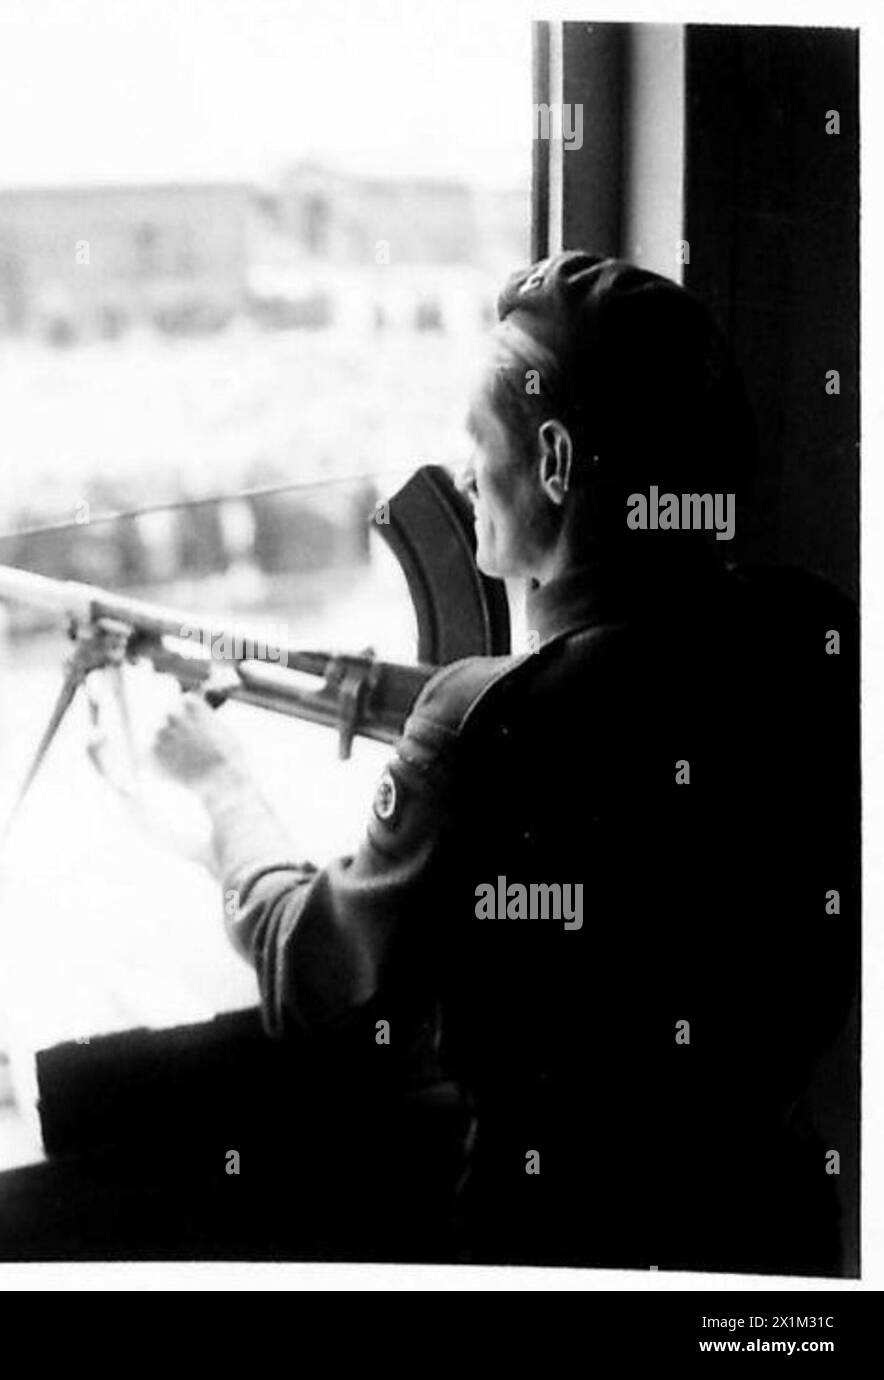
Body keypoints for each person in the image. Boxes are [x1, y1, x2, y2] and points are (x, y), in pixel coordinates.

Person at [152, 252, 857, 1273]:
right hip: (771, 1230)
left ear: (558, 462)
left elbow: (310, 973)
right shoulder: (813, 633)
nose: (465, 471)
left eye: (476, 444)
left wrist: (222, 791)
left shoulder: (484, 725)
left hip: (563, 1245)